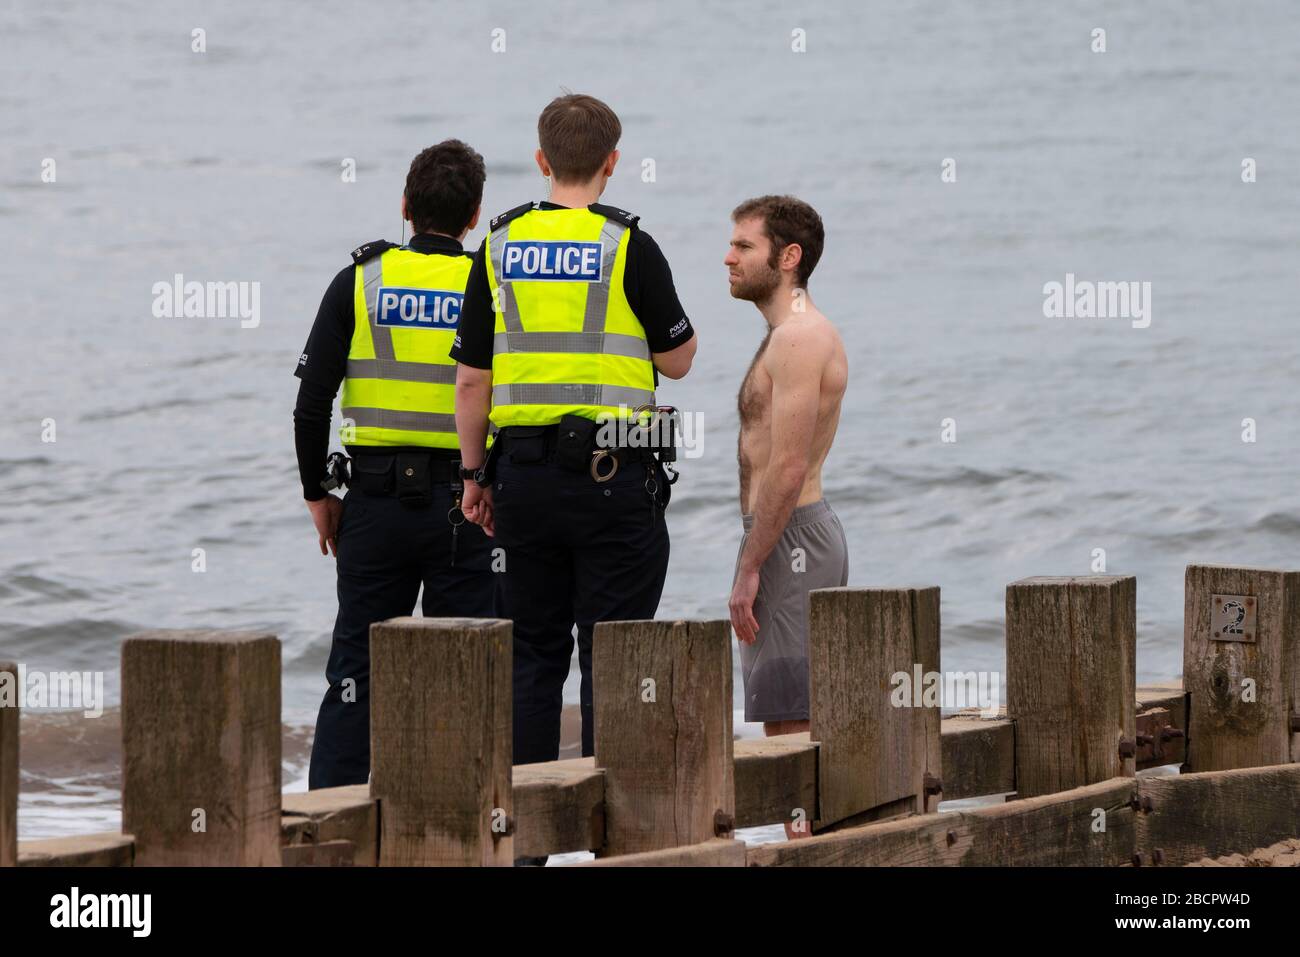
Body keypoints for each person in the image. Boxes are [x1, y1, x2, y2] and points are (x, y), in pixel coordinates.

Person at [452, 93, 697, 773]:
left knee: (532, 655)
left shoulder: (496, 247)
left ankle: (524, 841)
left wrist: (474, 478)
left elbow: (472, 382)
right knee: (614, 657)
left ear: (540, 161)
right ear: (612, 163)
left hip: (523, 484)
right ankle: (614, 836)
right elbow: (678, 361)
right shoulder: (630, 245)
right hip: (615, 481)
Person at [295, 139, 498, 789]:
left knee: (355, 675)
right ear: (474, 217)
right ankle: (456, 837)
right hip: (465, 506)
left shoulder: (360, 280)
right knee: (463, 676)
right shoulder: (486, 283)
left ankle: (328, 834)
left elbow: (310, 403)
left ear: (405, 207)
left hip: (376, 506)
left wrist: (317, 493)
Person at [725, 195, 848, 838]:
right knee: (783, 720)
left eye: (745, 245)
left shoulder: (801, 338)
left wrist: (750, 569)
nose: (730, 256)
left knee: (794, 726)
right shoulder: (784, 335)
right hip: (777, 535)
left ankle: (807, 852)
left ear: (788, 256)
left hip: (790, 538)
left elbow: (789, 465)